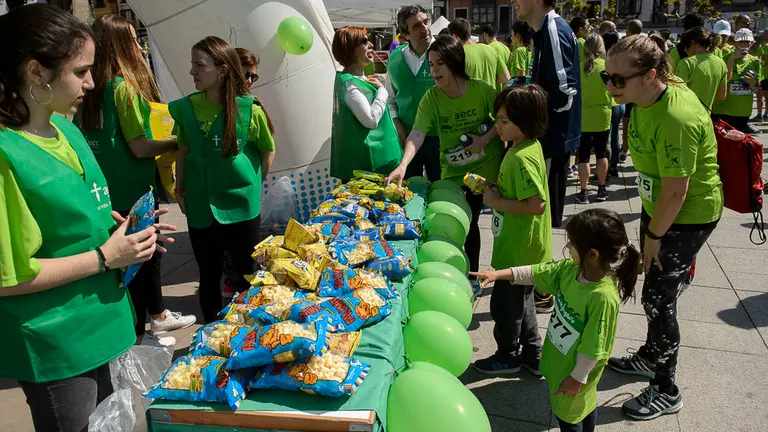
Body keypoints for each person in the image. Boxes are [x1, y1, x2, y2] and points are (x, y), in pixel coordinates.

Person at [0, 5, 176, 431]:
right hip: (60, 345)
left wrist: (125, 232)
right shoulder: (7, 153)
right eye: (80, 71)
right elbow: (10, 277)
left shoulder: (67, 129)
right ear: (37, 72)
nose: (92, 83)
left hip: (106, 324)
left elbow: (72, 219)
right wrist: (104, 255)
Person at [604, 35, 723, 420]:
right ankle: (651, 355)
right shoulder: (644, 95)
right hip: (658, 207)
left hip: (685, 216)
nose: (610, 86)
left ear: (652, 74)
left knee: (658, 299)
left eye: (618, 80)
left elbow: (676, 191)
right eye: (607, 76)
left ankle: (665, 388)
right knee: (654, 285)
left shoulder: (676, 116)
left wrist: (654, 237)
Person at [78, 14, 196, 346]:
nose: (138, 45)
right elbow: (140, 147)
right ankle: (142, 336)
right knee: (144, 258)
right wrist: (178, 143)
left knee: (124, 265)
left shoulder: (89, 88)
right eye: (131, 38)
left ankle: (149, 323)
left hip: (105, 191)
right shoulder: (124, 88)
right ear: (119, 45)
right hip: (134, 190)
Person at [472, 208, 640, 432]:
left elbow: (594, 347)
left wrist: (577, 378)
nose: (568, 247)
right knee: (583, 410)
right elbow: (538, 271)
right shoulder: (572, 270)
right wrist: (499, 274)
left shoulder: (602, 298)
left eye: (572, 243)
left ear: (593, 254)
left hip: (573, 371)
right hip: (560, 362)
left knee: (569, 417)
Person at [171, 36, 275, 323]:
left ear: (222, 69)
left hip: (241, 205)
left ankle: (249, 331)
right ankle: (212, 332)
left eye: (199, 65)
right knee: (209, 274)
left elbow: (267, 150)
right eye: (192, 64)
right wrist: (179, 187)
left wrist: (254, 185)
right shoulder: (186, 108)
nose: (192, 72)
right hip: (200, 204)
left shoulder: (249, 110)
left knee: (247, 273)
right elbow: (183, 149)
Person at [385, 35, 503, 282]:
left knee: (473, 222)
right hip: (454, 171)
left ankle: (474, 278)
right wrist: (403, 164)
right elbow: (417, 133)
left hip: (486, 168)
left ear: (455, 62)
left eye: (440, 63)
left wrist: (484, 140)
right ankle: (458, 273)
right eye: (431, 64)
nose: (434, 70)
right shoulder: (432, 98)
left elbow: (503, 119)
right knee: (458, 223)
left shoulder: (481, 90)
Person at [471, 84, 550, 375]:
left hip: (518, 249)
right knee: (524, 299)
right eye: (498, 119)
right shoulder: (524, 147)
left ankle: (507, 353)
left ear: (527, 123)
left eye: (504, 121)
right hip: (523, 246)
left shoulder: (521, 158)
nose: (498, 126)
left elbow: (536, 204)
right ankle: (533, 353)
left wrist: (497, 201)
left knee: (505, 307)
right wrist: (496, 190)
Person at [517, 0, 581, 314]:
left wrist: (531, 110)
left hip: (551, 139)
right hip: (547, 137)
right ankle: (540, 283)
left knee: (541, 217)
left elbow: (564, 91)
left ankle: (544, 288)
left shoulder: (554, 28)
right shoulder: (543, 30)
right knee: (539, 216)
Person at [331, 27, 402, 181]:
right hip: (368, 171)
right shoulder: (350, 84)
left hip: (372, 167)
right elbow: (370, 120)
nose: (370, 44)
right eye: (364, 41)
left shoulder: (351, 80)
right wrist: (383, 91)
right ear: (350, 49)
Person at [386, 5, 440, 181]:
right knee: (409, 188)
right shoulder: (394, 59)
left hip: (440, 136)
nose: (425, 28)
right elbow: (391, 98)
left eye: (426, 22)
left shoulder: (444, 52)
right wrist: (396, 123)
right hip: (407, 137)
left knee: (440, 187)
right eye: (417, 25)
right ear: (405, 34)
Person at [575, 34, 611, 204]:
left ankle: (584, 191)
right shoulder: (606, 68)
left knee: (583, 156)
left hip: (583, 117)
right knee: (601, 153)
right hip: (602, 115)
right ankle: (602, 188)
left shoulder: (579, 68)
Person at [712, 28, 761, 134]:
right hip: (723, 110)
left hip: (743, 111)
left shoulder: (755, 61)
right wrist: (732, 59)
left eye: (747, 42)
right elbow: (724, 80)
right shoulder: (724, 59)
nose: (744, 44)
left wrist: (753, 84)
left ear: (751, 43)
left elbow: (757, 90)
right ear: (735, 43)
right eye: (741, 42)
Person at [448, 18, 510, 90]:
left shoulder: (457, 55)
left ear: (454, 37)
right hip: (492, 100)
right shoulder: (490, 50)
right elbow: (506, 79)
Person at [675, 26, 727, 111]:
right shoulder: (721, 63)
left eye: (685, 46)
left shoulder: (686, 63)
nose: (684, 50)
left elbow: (676, 94)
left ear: (692, 43)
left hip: (686, 116)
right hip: (706, 118)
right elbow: (721, 96)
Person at [602, 31, 624, 175]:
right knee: (615, 135)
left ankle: (605, 169)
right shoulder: (622, 60)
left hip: (609, 102)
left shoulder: (606, 60)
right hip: (621, 103)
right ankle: (614, 166)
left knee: (607, 137)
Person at [510, 20, 535, 85]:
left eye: (512, 35)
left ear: (517, 35)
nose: (511, 38)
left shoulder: (519, 51)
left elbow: (521, 77)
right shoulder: (530, 50)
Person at [751, 30, 768, 122]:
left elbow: (763, 59)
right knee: (759, 96)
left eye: (765, 33)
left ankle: (765, 114)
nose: (763, 35)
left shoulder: (765, 46)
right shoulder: (759, 45)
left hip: (765, 75)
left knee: (765, 97)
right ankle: (759, 114)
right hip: (760, 75)